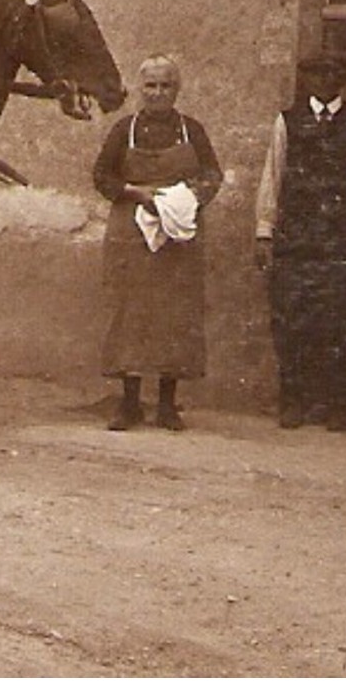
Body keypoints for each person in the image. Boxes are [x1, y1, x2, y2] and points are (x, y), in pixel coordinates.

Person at [253, 50, 346, 432]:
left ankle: (338, 406)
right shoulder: (287, 122)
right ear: (306, 80)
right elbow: (273, 176)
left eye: (332, 75)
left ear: (342, 80)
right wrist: (265, 231)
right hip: (296, 239)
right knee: (292, 321)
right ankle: (294, 401)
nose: (324, 82)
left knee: (343, 322)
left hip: (342, 239)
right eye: (315, 75)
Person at [92, 55, 224, 431]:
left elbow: (212, 174)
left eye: (166, 85)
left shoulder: (192, 130)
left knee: (175, 315)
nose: (158, 93)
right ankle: (130, 403)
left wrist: (183, 201)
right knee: (128, 312)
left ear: (176, 90)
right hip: (130, 231)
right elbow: (101, 176)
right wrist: (134, 191)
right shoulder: (123, 130)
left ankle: (167, 404)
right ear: (140, 89)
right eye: (151, 85)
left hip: (178, 234)